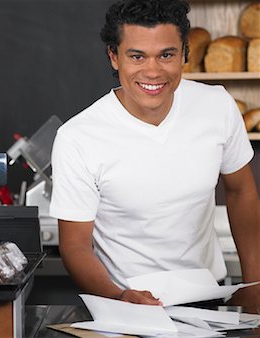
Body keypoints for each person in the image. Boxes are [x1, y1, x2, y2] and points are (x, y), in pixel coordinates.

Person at [49, 0, 260, 309]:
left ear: (184, 54)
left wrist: (254, 283)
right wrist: (117, 296)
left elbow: (242, 192)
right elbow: (75, 245)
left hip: (207, 301)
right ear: (114, 57)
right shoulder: (78, 137)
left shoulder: (217, 106)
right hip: (123, 305)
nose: (153, 71)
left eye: (166, 55)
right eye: (137, 56)